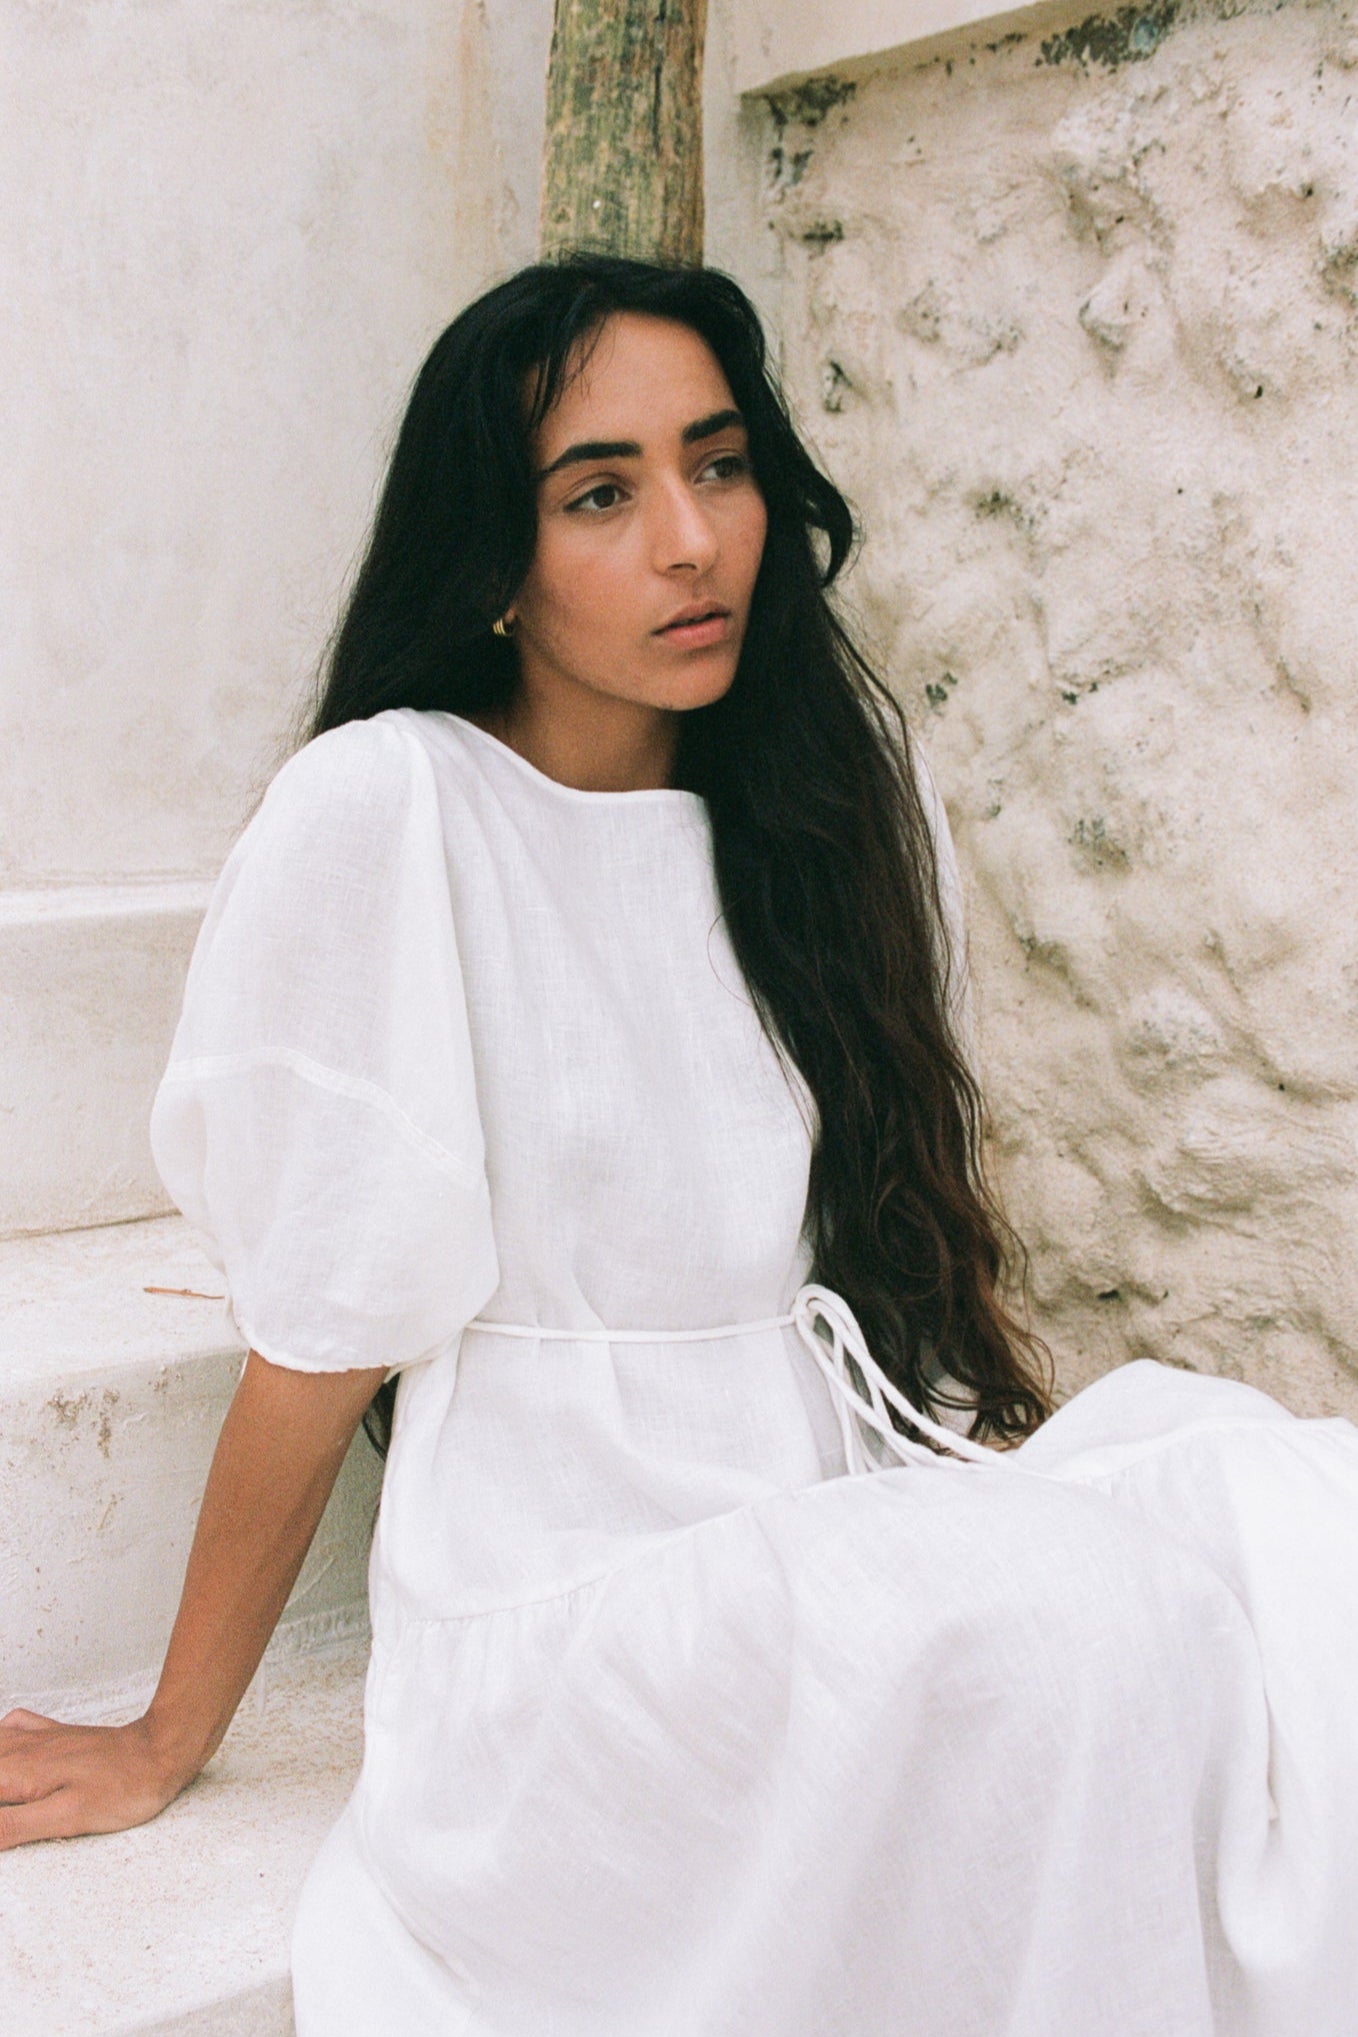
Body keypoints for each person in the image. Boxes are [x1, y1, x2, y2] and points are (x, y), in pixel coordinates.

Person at [2, 254, 1356, 2037]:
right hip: (573, 1609)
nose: (691, 539)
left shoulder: (807, 819)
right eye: (600, 493)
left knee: (1294, 1512)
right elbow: (321, 1330)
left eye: (717, 466)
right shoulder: (394, 806)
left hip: (828, 1519)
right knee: (1081, 1618)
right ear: (491, 557)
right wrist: (170, 1733)